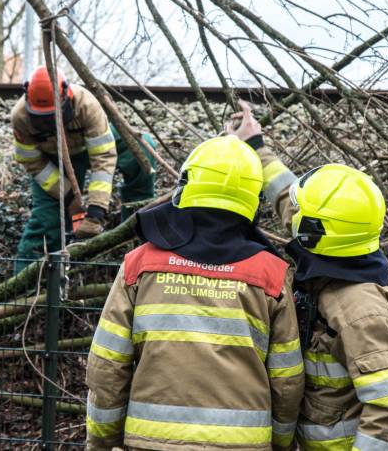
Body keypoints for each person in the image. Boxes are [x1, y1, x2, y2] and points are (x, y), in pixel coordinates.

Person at [85, 135, 305, 451]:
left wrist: (102, 441)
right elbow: (287, 380)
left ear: (186, 184)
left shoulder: (140, 264)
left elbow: (108, 365)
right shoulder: (270, 274)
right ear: (253, 198)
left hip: (153, 443)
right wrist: (282, 442)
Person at [228, 100, 388, 451]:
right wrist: (255, 146)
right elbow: (289, 198)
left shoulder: (358, 308)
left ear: (313, 232)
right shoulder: (343, 247)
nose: (292, 214)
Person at [11, 66, 155, 271]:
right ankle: (23, 288)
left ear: (65, 98)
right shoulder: (20, 117)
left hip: (89, 147)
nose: (50, 122)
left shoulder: (86, 104)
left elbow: (102, 157)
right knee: (45, 222)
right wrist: (69, 197)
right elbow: (34, 163)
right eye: (43, 118)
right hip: (53, 162)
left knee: (140, 146)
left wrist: (96, 212)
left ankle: (137, 221)